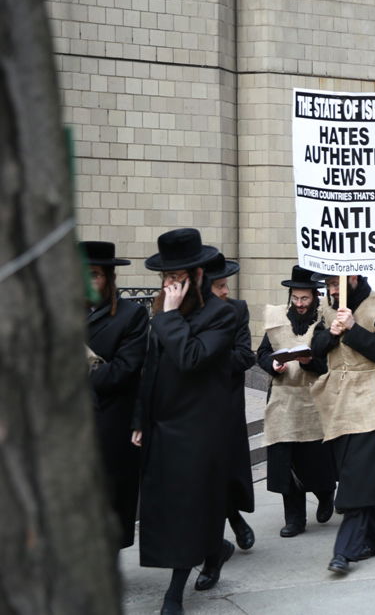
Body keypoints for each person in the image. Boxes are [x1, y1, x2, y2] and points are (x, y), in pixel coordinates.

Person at [132, 228, 237, 614]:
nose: (169, 284)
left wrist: (171, 317)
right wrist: (141, 417)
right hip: (162, 424)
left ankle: (174, 593)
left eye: (177, 278)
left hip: (200, 427)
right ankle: (216, 549)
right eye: (165, 278)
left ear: (196, 276)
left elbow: (191, 358)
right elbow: (151, 367)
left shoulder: (222, 314)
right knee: (168, 506)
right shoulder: (165, 314)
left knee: (188, 505)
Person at [310, 273, 375, 573]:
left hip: (372, 399)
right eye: (329, 284)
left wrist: (353, 329)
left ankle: (344, 550)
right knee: (351, 472)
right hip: (338, 401)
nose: (332, 289)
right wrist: (332, 333)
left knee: (358, 475)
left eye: (337, 283)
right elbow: (315, 349)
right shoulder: (325, 308)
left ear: (353, 278)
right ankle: (374, 539)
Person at [256, 266, 335, 539]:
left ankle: (326, 495)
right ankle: (294, 519)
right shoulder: (277, 319)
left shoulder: (325, 321)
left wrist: (310, 361)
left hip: (314, 400)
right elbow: (262, 353)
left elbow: (332, 363)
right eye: (296, 299)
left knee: (316, 461)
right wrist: (272, 363)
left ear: (315, 296)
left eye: (305, 299)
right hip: (282, 399)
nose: (300, 304)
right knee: (286, 462)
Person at [82, 241, 148, 550]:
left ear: (108, 277)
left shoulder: (131, 315)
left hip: (110, 424)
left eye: (93, 274)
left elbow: (124, 370)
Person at [205, 254, 257, 551]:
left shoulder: (237, 310)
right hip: (193, 407)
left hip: (226, 402)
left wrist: (205, 356)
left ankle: (234, 518)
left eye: (226, 285)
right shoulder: (184, 314)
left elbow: (245, 356)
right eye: (219, 286)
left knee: (225, 469)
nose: (226, 291)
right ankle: (222, 529)